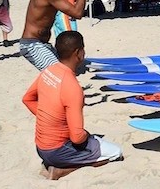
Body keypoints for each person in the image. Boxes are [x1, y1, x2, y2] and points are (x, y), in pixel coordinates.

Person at [22, 31, 123, 180]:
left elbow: (27, 99)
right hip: (58, 151)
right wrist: (85, 136)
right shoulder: (73, 87)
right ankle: (62, 170)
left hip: (41, 148)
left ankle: (57, 164)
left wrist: (51, 119)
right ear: (78, 53)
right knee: (116, 152)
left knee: (89, 138)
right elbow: (77, 137)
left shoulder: (49, 71)